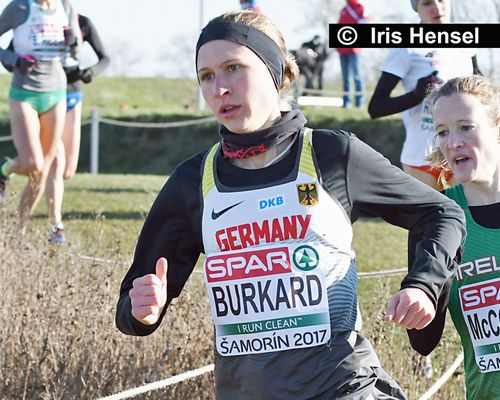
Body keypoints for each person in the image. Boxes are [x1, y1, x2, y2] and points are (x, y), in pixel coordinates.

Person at [115, 10, 466, 399]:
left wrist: (423, 285)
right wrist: (140, 309)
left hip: (344, 387)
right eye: (207, 76)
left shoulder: (332, 153)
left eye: (234, 68)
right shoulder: (192, 180)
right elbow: (132, 306)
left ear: (275, 71)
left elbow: (442, 212)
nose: (219, 89)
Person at [408, 75, 500, 399]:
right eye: (443, 132)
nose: (452, 142)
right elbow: (423, 342)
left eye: (466, 127)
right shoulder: (436, 220)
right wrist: (431, 284)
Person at [368, 0, 480, 190]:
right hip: (421, 159)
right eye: (427, 3)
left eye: (442, 1)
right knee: (426, 221)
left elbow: (482, 93)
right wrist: (416, 94)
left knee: (466, 219)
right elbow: (376, 107)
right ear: (416, 10)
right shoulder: (406, 47)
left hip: (463, 153)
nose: (437, 8)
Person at [0, 0, 80, 230]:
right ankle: (4, 169)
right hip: (24, 93)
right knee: (32, 163)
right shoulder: (20, 7)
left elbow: (75, 49)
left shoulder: (65, 6)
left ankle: (18, 230)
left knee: (42, 170)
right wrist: (14, 59)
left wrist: (72, 43)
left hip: (56, 91)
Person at [44, 14, 110, 243]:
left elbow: (105, 59)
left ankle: (10, 167)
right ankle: (56, 226)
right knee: (56, 160)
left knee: (66, 170)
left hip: (72, 93)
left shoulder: (82, 22)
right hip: (46, 93)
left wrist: (90, 72)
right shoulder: (40, 18)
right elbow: (13, 51)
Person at [336, 0, 368, 108]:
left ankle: (360, 102)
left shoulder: (360, 8)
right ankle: (347, 102)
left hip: (355, 49)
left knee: (357, 76)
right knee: (346, 78)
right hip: (342, 49)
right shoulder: (344, 10)